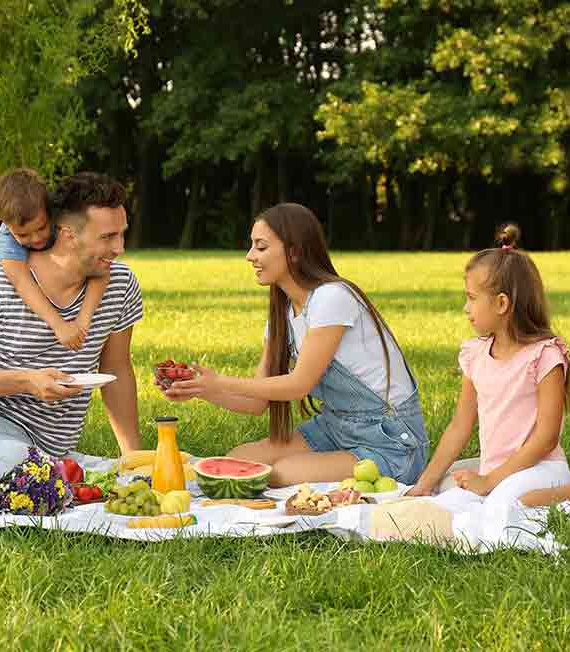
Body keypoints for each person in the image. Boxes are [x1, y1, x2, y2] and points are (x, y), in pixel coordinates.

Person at [161, 202, 429, 487]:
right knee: (240, 458)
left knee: (284, 473)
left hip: (390, 441)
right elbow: (256, 402)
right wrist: (202, 389)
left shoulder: (332, 298)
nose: (250, 256)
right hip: (335, 429)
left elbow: (298, 384)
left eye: (261, 247)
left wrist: (222, 380)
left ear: (294, 251)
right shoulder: (283, 315)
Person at [0, 170, 144, 486]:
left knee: (54, 473)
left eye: (121, 234)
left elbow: (117, 369)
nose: (120, 248)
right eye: (107, 237)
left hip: (51, 449)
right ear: (68, 235)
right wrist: (26, 381)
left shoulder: (120, 284)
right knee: (18, 463)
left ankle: (43, 471)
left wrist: (135, 461)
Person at [406, 223, 570, 509]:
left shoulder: (545, 356)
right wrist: (424, 485)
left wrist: (490, 481)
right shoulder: (476, 355)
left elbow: (546, 439)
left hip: (541, 469)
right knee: (449, 501)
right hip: (496, 472)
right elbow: (461, 425)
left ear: (501, 303)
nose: (465, 308)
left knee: (505, 505)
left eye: (471, 298)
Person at [0, 168, 108, 350]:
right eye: (23, 235)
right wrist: (58, 325)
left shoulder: (63, 217)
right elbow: (21, 281)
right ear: (2, 221)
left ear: (49, 208)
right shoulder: (6, 238)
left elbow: (101, 267)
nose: (36, 239)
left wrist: (83, 321)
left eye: (41, 228)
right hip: (23, 309)